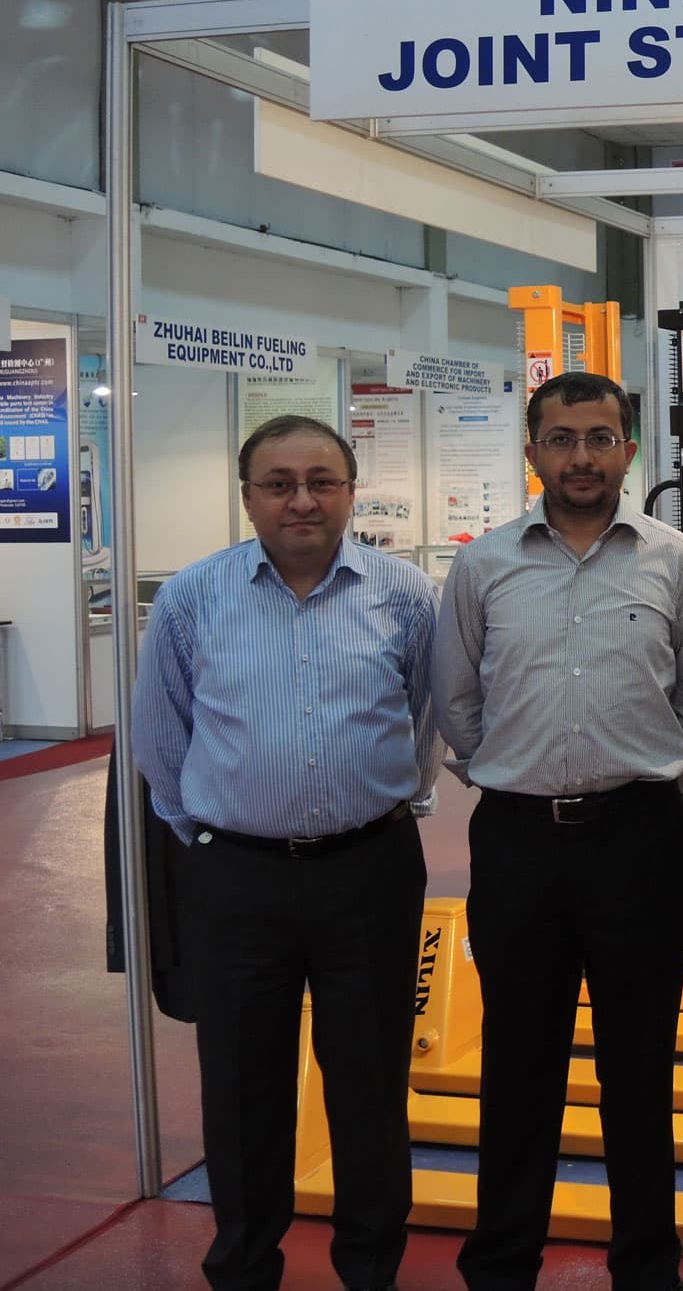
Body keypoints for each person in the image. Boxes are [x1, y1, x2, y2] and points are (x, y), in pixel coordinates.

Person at [132, 414, 438, 1291]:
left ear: (349, 492)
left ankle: (370, 1268)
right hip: (236, 878)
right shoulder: (193, 598)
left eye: (321, 481)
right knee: (240, 1087)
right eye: (279, 484)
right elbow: (161, 737)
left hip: (369, 872)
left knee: (370, 1083)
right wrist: (208, 837)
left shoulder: (405, 595)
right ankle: (242, 1265)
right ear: (248, 497)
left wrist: (385, 804)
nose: (302, 500)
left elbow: (426, 715)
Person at [434, 371, 683, 1291]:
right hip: (517, 844)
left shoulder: (675, 561)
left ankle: (647, 1266)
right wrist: (517, 770)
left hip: (638, 839)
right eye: (561, 440)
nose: (581, 457)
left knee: (640, 1066)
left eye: (600, 438)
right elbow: (457, 705)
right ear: (533, 453)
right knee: (520, 1065)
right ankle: (502, 1264)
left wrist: (632, 769)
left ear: (630, 450)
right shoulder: (483, 566)